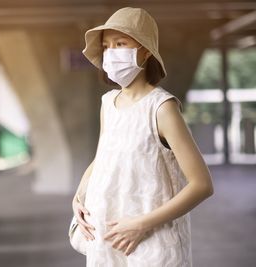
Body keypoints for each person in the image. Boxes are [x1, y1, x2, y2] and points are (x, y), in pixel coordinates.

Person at [71, 7, 214, 267]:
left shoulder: (162, 108)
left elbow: (201, 185)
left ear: (145, 51)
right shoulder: (108, 102)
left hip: (152, 245)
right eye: (106, 46)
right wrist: (79, 198)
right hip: (106, 242)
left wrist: (140, 225)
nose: (111, 52)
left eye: (120, 43)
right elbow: (103, 158)